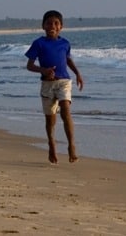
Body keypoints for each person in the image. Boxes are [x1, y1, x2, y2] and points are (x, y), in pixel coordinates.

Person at [25, 10, 84, 164]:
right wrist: (42, 70)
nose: (52, 26)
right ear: (43, 26)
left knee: (65, 111)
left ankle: (71, 146)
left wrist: (77, 74)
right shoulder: (39, 43)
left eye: (56, 23)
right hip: (47, 84)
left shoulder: (65, 43)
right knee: (50, 119)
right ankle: (51, 143)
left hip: (64, 81)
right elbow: (29, 65)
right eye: (49, 23)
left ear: (61, 27)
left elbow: (68, 60)